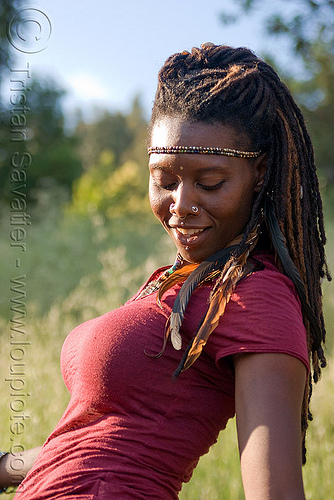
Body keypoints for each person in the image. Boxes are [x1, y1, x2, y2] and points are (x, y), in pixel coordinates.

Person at [0, 43, 329, 499]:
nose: (182, 206)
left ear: (260, 172)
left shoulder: (256, 295)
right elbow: (95, 444)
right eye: (165, 181)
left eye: (210, 183)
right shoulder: (181, 284)